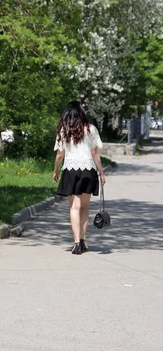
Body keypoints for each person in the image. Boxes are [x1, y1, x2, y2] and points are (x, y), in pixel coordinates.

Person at [52, 101, 106, 255]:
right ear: (81, 113)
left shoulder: (64, 131)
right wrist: (101, 172)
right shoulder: (91, 129)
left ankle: (76, 242)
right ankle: (83, 239)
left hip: (71, 171)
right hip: (88, 170)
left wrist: (55, 171)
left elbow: (60, 155)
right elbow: (95, 153)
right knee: (84, 206)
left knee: (74, 207)